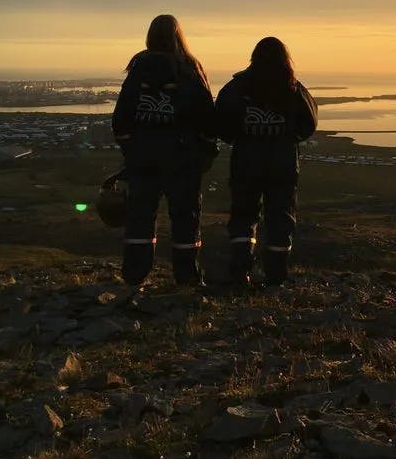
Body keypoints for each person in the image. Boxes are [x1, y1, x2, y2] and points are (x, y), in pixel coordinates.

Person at [111, 14, 217, 288]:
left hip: (143, 158)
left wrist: (131, 149)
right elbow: (207, 115)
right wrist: (204, 152)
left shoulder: (139, 69)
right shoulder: (190, 69)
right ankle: (187, 276)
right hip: (182, 159)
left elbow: (122, 117)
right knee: (185, 217)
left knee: (140, 216)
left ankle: (135, 275)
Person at [215, 37, 318, 287]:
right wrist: (288, 137)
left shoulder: (238, 86)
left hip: (246, 160)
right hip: (282, 162)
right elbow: (310, 122)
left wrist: (239, 137)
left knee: (243, 214)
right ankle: (276, 276)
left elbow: (219, 120)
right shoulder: (293, 87)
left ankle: (240, 272)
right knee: (281, 215)